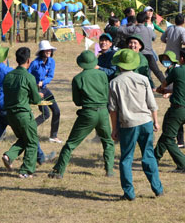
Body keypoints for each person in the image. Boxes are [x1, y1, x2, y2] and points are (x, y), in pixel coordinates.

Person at [49, 50, 115, 179]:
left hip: (88, 113)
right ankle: (109, 170)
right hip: (103, 111)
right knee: (107, 141)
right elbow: (108, 92)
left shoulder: (78, 79)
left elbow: (77, 102)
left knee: (71, 143)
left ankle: (59, 171)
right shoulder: (103, 75)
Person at [108, 49, 163, 200]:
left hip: (128, 124)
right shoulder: (143, 79)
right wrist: (156, 121)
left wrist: (114, 129)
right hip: (146, 121)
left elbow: (112, 110)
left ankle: (129, 193)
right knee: (148, 155)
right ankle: (157, 188)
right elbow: (152, 104)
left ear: (119, 65)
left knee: (126, 158)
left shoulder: (114, 83)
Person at [155, 47, 185, 174]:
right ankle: (154, 158)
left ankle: (183, 163)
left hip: (177, 109)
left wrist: (160, 89)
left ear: (181, 59)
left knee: (169, 138)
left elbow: (164, 85)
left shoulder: (177, 70)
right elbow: (184, 88)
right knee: (167, 133)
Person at [2, 47, 43, 178]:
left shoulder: (8, 76)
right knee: (32, 141)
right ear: (29, 61)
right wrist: (39, 95)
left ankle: (9, 155)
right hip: (23, 114)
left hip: (10, 114)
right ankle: (26, 171)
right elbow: (36, 99)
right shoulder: (29, 77)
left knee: (25, 139)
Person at [29, 40, 62, 143]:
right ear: (41, 51)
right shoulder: (34, 63)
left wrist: (43, 82)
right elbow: (27, 75)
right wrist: (34, 85)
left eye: (50, 49)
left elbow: (50, 76)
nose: (48, 51)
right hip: (36, 91)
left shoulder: (52, 61)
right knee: (45, 114)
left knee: (56, 111)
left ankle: (53, 136)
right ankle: (28, 129)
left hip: (44, 89)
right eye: (46, 50)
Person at [124, 12, 166, 85]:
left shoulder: (133, 28)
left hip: (137, 54)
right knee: (156, 71)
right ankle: (166, 84)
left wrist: (128, 25)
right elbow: (154, 37)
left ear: (136, 19)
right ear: (145, 20)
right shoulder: (149, 29)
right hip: (149, 54)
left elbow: (121, 30)